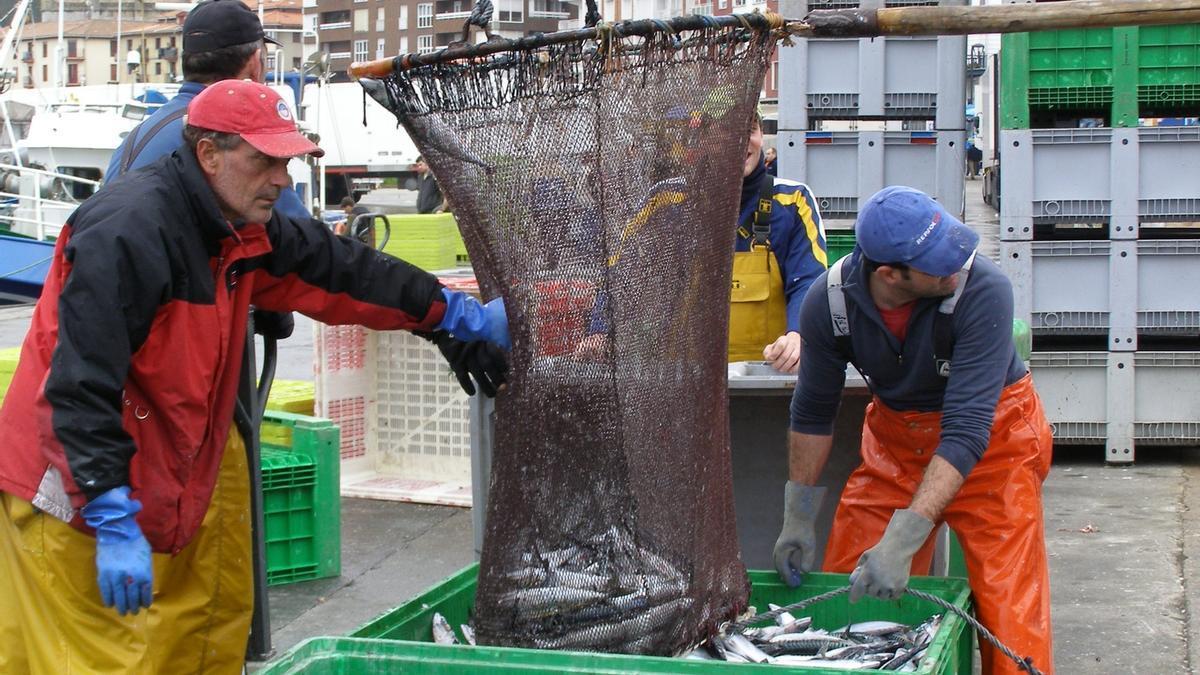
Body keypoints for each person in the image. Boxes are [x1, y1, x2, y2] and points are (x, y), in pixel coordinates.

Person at [0, 80, 510, 674]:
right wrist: (110, 511)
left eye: (286, 161)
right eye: (264, 160)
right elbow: (78, 385)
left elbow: (342, 270)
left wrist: (449, 315)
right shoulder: (127, 230)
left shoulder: (241, 226)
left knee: (202, 642)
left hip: (166, 480)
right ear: (209, 154)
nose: (281, 180)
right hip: (73, 499)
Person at [774, 186, 1053, 675]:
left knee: (1011, 614)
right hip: (896, 448)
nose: (958, 263)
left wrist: (903, 539)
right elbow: (813, 411)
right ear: (890, 274)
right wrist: (797, 516)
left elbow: (968, 430)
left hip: (996, 447)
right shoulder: (830, 302)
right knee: (851, 599)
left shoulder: (983, 290)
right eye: (938, 259)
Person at [731, 112, 827, 373]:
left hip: (768, 374)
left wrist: (798, 333)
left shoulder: (793, 200)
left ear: (761, 135)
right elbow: (623, 272)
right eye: (725, 131)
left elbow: (809, 281)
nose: (739, 140)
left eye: (749, 129)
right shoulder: (672, 203)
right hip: (687, 379)